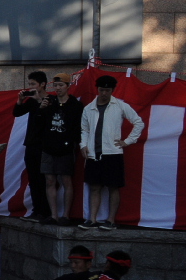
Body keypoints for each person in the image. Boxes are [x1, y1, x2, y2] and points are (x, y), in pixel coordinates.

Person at [79, 75, 145, 230]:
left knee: (113, 187)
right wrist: (83, 145)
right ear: (98, 89)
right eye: (101, 90)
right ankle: (92, 219)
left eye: (107, 90)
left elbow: (138, 122)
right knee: (94, 187)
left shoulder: (120, 105)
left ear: (112, 90)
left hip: (113, 153)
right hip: (93, 154)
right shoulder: (88, 108)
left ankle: (111, 220)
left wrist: (127, 141)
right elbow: (84, 129)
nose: (104, 93)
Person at [37, 74, 84, 225]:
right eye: (55, 85)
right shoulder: (49, 102)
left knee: (66, 180)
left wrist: (73, 143)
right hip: (48, 147)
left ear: (68, 86)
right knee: (50, 180)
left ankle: (66, 215)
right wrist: (41, 109)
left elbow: (79, 128)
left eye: (61, 85)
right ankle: (54, 215)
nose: (57, 88)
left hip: (66, 148)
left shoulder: (76, 105)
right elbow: (39, 124)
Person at [14, 71, 51, 221]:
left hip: (45, 145)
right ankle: (36, 210)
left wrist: (39, 102)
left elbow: (46, 119)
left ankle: (46, 211)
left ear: (42, 84)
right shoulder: (31, 101)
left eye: (33, 84)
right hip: (31, 144)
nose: (31, 87)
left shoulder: (50, 100)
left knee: (45, 180)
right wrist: (20, 101)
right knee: (34, 179)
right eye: (29, 84)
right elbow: (17, 113)